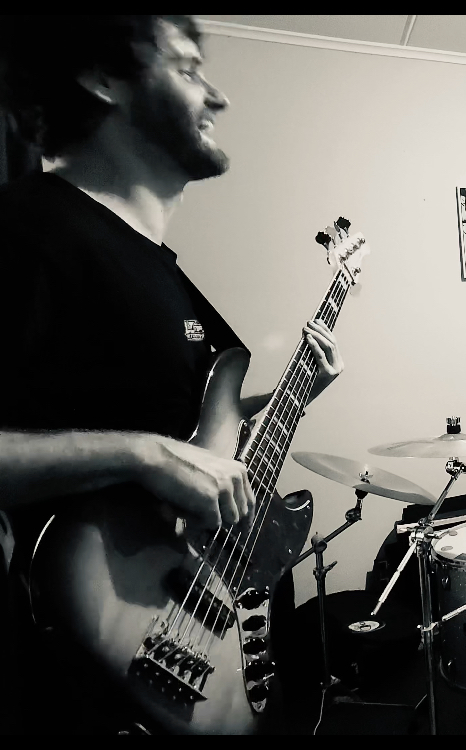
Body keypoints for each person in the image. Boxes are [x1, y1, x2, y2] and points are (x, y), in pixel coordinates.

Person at [0, 15, 344, 733]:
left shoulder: (164, 275)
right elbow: (158, 448)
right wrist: (143, 454)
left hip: (186, 618)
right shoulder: (28, 230)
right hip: (73, 668)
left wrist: (291, 396)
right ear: (103, 79)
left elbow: (192, 435)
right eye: (187, 69)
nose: (217, 96)